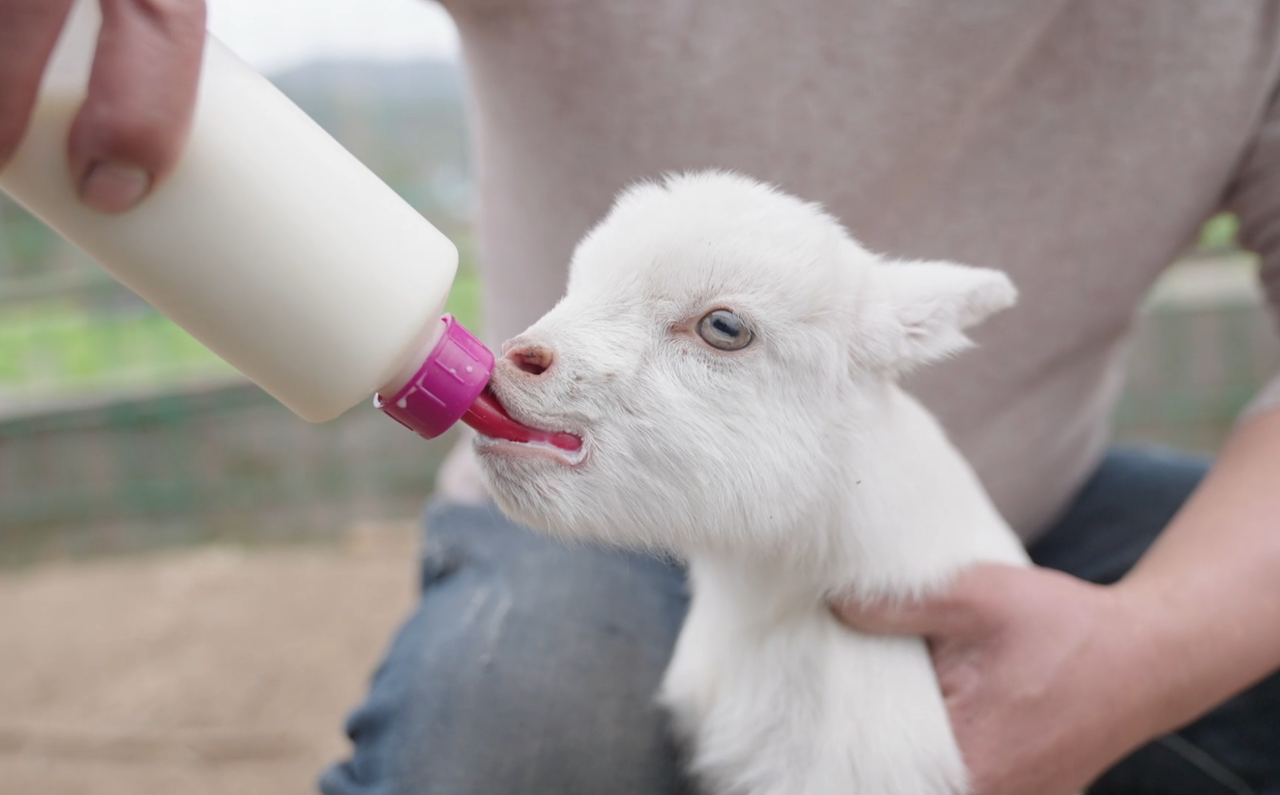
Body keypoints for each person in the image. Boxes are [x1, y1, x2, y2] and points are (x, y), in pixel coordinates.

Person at [4, 2, 1280, 793]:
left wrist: (1143, 650)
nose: (536, 340)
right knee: (509, 735)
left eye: (716, 327)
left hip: (1013, 512)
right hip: (581, 502)